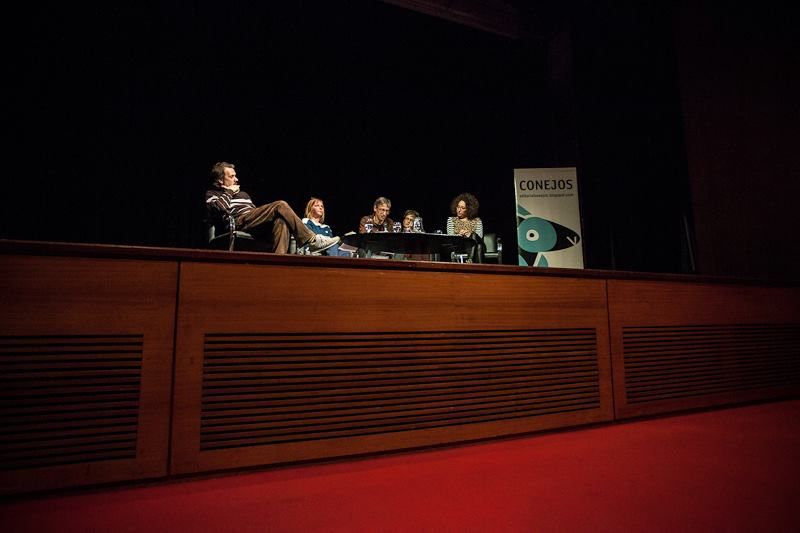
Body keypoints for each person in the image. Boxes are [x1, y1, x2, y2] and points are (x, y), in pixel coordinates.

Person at [205, 161, 339, 254]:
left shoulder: (243, 194)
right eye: (232, 176)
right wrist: (228, 192)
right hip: (237, 221)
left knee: (281, 221)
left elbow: (254, 213)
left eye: (235, 175)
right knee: (280, 205)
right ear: (221, 180)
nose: (236, 179)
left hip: (252, 221)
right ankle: (310, 239)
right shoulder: (212, 193)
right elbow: (219, 208)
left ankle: (278, 262)